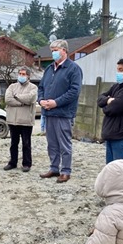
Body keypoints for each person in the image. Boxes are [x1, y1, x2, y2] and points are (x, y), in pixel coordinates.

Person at [38, 39, 83, 183]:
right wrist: (41, 100)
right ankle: (54, 168)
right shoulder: (49, 68)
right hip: (48, 112)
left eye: (56, 50)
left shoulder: (73, 69)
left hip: (63, 113)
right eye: (52, 50)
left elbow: (74, 91)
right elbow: (41, 87)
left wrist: (56, 102)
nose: (53, 53)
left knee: (64, 144)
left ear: (64, 50)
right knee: (52, 143)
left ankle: (65, 171)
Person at [3, 66, 38, 172]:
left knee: (26, 143)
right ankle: (12, 162)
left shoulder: (33, 87)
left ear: (28, 76)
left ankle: (27, 164)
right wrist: (22, 102)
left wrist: (17, 96)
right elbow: (8, 99)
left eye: (24, 74)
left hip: (26, 121)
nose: (21, 76)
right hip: (13, 120)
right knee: (13, 143)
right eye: (20, 74)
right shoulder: (12, 86)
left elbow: (30, 98)